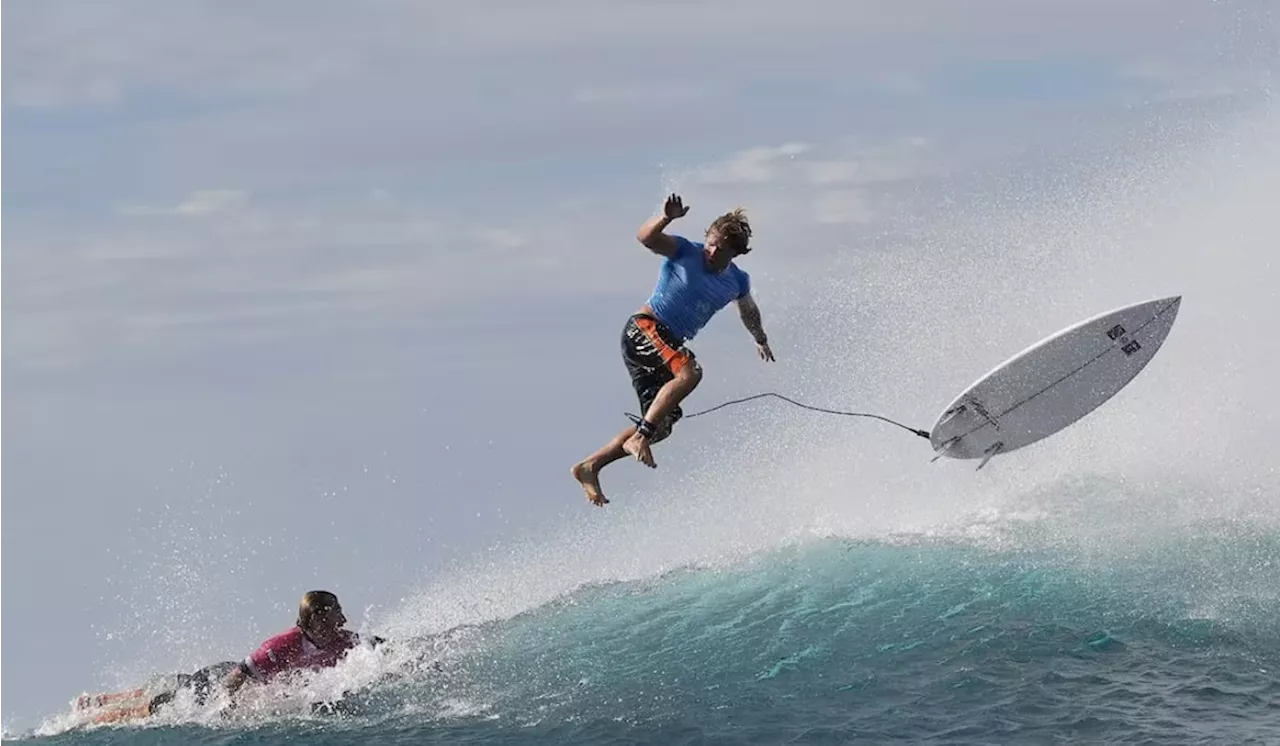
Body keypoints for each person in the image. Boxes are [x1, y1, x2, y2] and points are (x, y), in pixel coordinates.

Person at [571, 193, 774, 506]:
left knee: (661, 426)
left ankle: (590, 466)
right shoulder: (684, 251)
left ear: (735, 253)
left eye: (721, 248)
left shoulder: (737, 281)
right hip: (644, 328)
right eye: (711, 242)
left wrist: (759, 338)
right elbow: (645, 237)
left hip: (666, 345)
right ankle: (638, 438)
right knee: (690, 372)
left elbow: (748, 310)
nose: (712, 250)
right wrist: (665, 218)